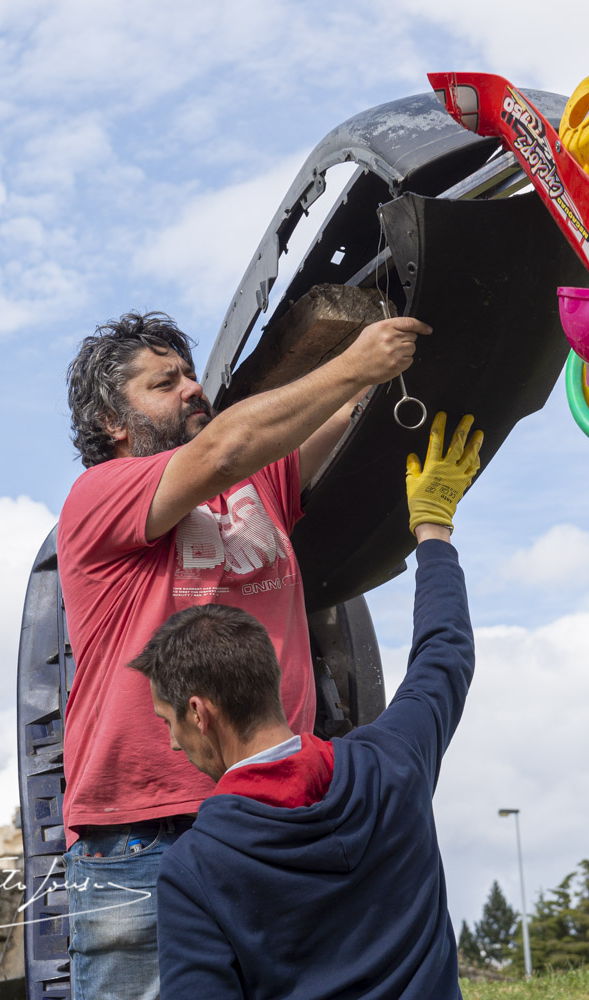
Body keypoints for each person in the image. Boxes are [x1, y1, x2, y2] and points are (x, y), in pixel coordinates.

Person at [57, 309, 427, 999]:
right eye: (165, 383)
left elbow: (344, 409)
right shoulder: (100, 495)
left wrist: (405, 339)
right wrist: (355, 362)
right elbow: (226, 448)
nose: (193, 388)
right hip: (145, 833)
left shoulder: (260, 482)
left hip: (272, 811)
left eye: (190, 374)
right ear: (113, 421)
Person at [130, 412, 483, 999]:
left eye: (168, 722)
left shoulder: (197, 869)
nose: (170, 741)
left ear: (199, 713)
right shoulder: (392, 764)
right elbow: (444, 656)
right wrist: (433, 529)